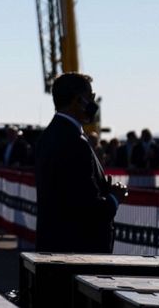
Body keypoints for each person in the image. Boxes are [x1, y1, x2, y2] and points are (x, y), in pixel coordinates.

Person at [35, 73, 126, 253]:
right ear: (78, 100)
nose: (93, 103)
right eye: (91, 97)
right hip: (78, 250)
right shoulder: (75, 142)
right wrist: (115, 197)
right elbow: (86, 208)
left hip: (53, 246)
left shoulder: (47, 136)